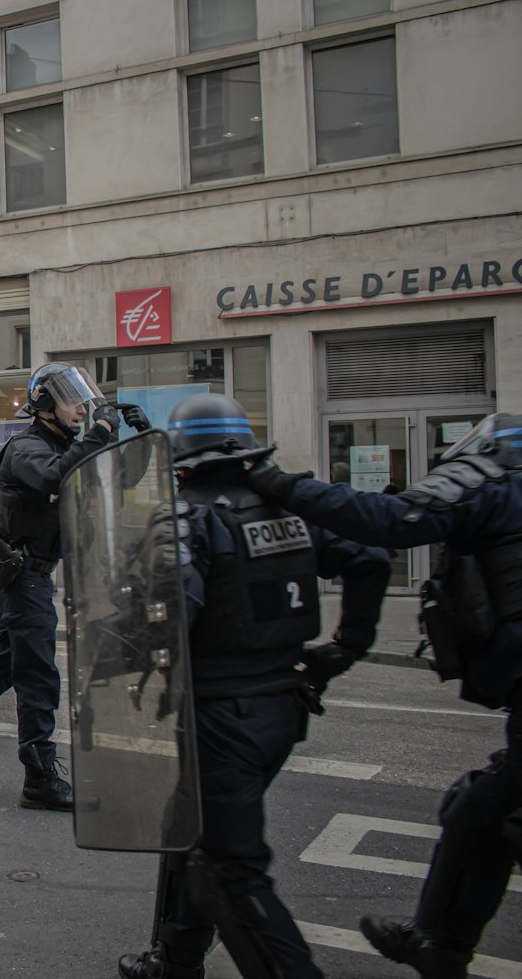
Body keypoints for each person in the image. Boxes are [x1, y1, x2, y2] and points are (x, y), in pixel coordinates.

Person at [118, 393, 391, 979]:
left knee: (229, 869)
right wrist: (343, 650)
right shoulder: (290, 512)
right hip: (283, 705)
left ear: (183, 455)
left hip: (220, 715)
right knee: (192, 834)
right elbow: (370, 560)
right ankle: (176, 956)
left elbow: (170, 616)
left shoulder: (188, 516)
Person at [248, 412, 522, 979]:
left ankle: (439, 946)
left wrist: (282, 484)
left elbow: (392, 521)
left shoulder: (495, 483)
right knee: (485, 810)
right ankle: (439, 947)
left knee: (484, 808)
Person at [0, 362, 141, 810]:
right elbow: (55, 476)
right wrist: (98, 431)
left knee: (5, 664)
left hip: (38, 573)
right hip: (21, 575)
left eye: (82, 399)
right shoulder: (25, 448)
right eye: (70, 399)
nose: (81, 407)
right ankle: (38, 775)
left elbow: (118, 483)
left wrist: (135, 439)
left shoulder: (66, 445)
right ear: (43, 406)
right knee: (38, 673)